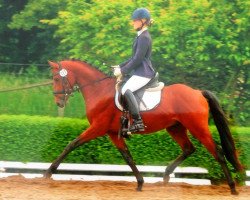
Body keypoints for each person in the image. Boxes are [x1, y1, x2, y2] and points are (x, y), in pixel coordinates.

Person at [112, 8, 156, 133]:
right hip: (139, 72)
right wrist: (119, 66)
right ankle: (125, 125)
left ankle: (138, 122)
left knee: (126, 90)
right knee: (122, 89)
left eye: (135, 21)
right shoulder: (140, 36)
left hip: (144, 73)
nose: (133, 23)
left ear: (143, 21)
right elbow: (133, 57)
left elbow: (137, 59)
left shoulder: (144, 37)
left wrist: (123, 71)